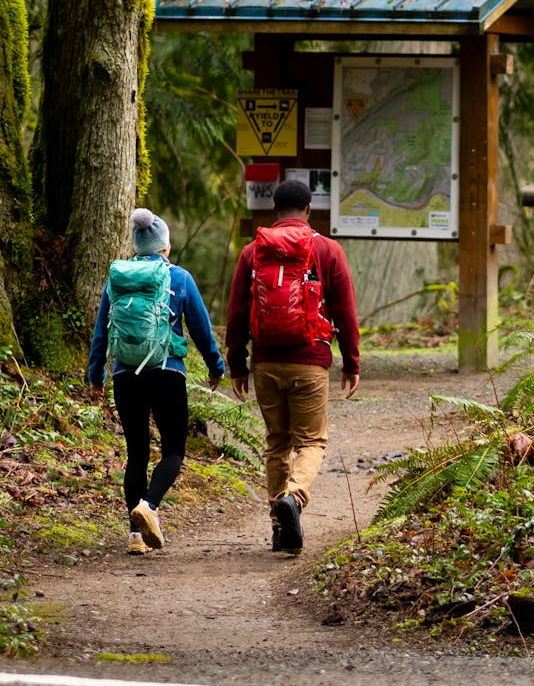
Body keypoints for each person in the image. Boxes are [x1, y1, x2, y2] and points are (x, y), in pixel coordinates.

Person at [226, 179, 359, 556]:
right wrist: (352, 361)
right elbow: (346, 311)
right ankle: (294, 498)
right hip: (310, 360)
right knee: (311, 441)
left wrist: (237, 364)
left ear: (274, 211)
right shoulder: (328, 250)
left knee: (277, 444)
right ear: (309, 209)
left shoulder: (253, 252)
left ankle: (278, 529)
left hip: (266, 361)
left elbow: (236, 314)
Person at [88, 208, 224, 555]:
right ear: (165, 246)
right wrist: (215, 366)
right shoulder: (178, 278)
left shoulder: (117, 278)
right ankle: (149, 505)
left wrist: (96, 375)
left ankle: (135, 536)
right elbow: (201, 328)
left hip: (125, 374)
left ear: (136, 246)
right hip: (167, 372)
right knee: (174, 449)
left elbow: (101, 329)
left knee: (136, 453)